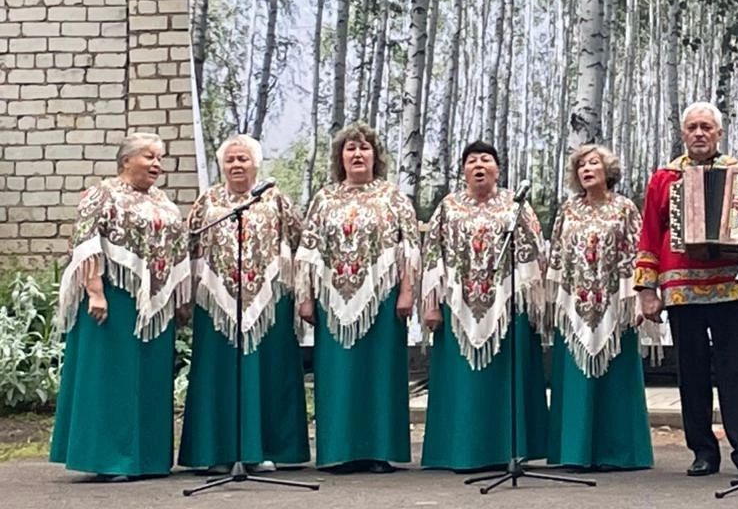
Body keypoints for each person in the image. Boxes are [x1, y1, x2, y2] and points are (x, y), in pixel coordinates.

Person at [635, 102, 738, 478]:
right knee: (691, 370)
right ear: (683, 134)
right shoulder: (664, 178)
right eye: (692, 127)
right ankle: (703, 450)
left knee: (737, 369)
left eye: (706, 127)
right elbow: (650, 234)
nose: (698, 133)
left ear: (719, 134)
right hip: (681, 285)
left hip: (731, 282)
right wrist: (647, 289)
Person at [50, 132, 191, 481]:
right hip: (115, 298)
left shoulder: (162, 200)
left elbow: (177, 249)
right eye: (149, 156)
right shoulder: (102, 193)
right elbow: (86, 242)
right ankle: (108, 459)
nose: (156, 164)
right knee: (112, 375)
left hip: (154, 306)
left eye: (159, 158)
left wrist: (179, 297)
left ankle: (148, 459)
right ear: (126, 160)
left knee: (150, 377)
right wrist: (95, 291)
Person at [178, 134, 309, 473]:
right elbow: (188, 249)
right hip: (216, 305)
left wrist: (302, 293)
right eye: (230, 159)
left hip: (269, 303)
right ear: (222, 165)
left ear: (256, 164)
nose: (237, 165)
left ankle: (265, 449)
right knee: (218, 375)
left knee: (269, 373)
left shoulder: (275, 200)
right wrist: (184, 297)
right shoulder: (207, 202)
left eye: (243, 158)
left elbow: (301, 246)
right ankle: (215, 453)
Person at [294, 123, 420, 473]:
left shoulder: (393, 197)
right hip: (333, 299)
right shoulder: (324, 199)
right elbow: (308, 252)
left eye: (364, 148)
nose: (358, 154)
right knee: (338, 375)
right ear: (340, 157)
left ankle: (378, 451)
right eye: (350, 148)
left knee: (380, 373)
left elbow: (410, 248)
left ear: (376, 156)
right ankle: (339, 451)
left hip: (383, 298)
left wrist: (407, 292)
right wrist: (305, 298)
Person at [420, 140, 549, 471]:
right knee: (462, 384)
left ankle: (510, 451)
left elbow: (535, 254)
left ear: (498, 170)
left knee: (507, 382)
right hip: (458, 307)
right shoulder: (448, 207)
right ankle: (460, 451)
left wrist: (534, 303)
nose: (479, 165)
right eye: (472, 161)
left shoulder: (515, 205)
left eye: (486, 160)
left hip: (508, 307)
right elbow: (432, 255)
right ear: (463, 171)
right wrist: (431, 305)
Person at [546, 144, 653, 470]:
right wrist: (554, 301)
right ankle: (573, 452)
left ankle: (621, 453)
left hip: (615, 305)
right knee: (574, 378)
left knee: (617, 378)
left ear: (608, 171)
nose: (586, 169)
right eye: (581, 165)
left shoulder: (624, 208)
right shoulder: (568, 210)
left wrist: (637, 299)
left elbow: (637, 253)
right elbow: (557, 256)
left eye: (593, 163)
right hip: (575, 305)